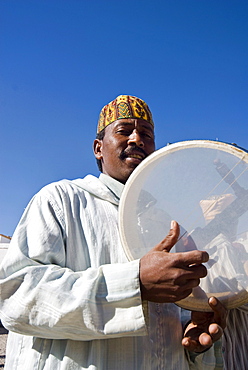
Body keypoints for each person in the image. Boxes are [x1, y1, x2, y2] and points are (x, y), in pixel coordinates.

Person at [0, 95, 226, 369]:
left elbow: (163, 328)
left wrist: (190, 337)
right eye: (123, 131)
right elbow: (16, 297)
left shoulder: (168, 226)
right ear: (98, 148)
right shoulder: (61, 201)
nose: (136, 139)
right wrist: (134, 283)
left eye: (146, 134)